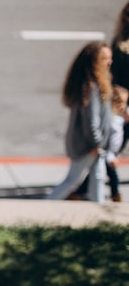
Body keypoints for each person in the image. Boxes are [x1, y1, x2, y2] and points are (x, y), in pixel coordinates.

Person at [46, 41, 114, 203]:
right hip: (88, 145)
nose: (109, 62)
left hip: (93, 145)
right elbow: (91, 120)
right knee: (73, 180)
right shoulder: (91, 87)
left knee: (97, 177)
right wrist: (96, 143)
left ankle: (99, 212)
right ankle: (44, 207)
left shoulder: (90, 83)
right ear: (94, 62)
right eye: (104, 58)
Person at [71, 85, 128, 202]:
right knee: (109, 176)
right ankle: (114, 195)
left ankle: (84, 194)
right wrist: (111, 155)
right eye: (121, 103)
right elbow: (108, 140)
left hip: (110, 153)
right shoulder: (111, 121)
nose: (123, 106)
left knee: (96, 175)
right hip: (107, 153)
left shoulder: (118, 117)